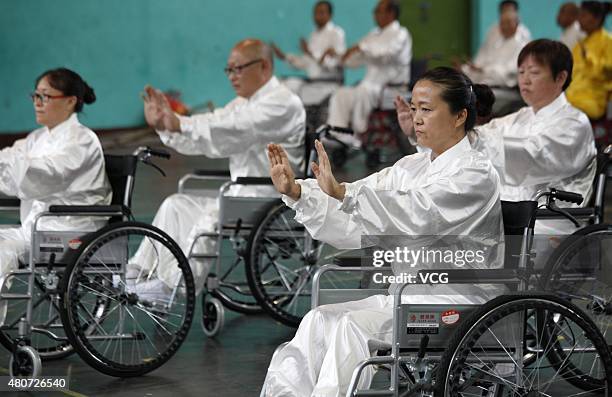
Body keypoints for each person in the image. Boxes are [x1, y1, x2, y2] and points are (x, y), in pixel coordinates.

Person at [260, 67, 503, 397]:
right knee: (318, 320)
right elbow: (356, 210)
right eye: (414, 108)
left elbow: (418, 213)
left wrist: (346, 194)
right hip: (407, 299)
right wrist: (299, 193)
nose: (417, 118)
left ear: (460, 115)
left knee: (351, 328)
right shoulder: (410, 167)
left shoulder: (475, 173)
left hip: (454, 305)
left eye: (427, 109)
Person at [131, 39, 305, 296]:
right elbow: (214, 133)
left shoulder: (283, 103)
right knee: (176, 205)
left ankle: (172, 287)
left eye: (238, 69)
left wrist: (179, 122)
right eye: (229, 70)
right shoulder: (243, 103)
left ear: (264, 66)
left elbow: (234, 126)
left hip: (271, 197)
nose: (232, 77)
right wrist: (165, 127)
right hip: (243, 195)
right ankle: (139, 272)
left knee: (211, 217)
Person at [0, 67, 111, 322]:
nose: (37, 103)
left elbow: (49, 174)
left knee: (3, 250)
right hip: (40, 226)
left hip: (71, 228)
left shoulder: (82, 140)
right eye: (35, 96)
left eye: (46, 96)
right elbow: (10, 162)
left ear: (71, 101)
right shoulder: (37, 138)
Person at [469, 39, 596, 236]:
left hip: (551, 222)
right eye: (521, 72)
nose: (525, 80)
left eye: (534, 72)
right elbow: (485, 134)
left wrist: (471, 139)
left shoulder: (574, 123)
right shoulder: (521, 116)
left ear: (560, 77)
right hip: (514, 216)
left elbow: (533, 155)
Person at [326, 0, 412, 147]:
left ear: (391, 14)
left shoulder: (400, 34)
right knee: (341, 93)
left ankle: (359, 134)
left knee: (363, 91)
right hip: (370, 87)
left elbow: (386, 54)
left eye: (378, 11)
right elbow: (356, 58)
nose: (374, 15)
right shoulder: (374, 34)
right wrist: (340, 56)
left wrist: (361, 47)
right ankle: (339, 135)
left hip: (393, 89)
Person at [272, 1, 346, 105]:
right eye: (315, 13)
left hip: (329, 82)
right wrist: (285, 57)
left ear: (330, 15)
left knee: (295, 91)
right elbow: (306, 62)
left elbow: (336, 62)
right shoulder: (313, 35)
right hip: (312, 81)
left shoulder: (337, 33)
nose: (317, 16)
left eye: (321, 12)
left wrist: (310, 52)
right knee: (280, 83)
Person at [460, 7, 529, 89]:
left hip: (504, 80)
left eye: (508, 23)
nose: (504, 26)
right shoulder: (497, 40)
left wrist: (484, 69)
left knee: (493, 75)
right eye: (502, 23)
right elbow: (483, 58)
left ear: (517, 24)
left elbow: (511, 69)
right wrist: (469, 67)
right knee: (468, 72)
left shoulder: (522, 43)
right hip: (487, 73)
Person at [565, 1, 612, 119]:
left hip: (593, 98)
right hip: (572, 96)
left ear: (597, 19)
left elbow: (607, 72)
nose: (579, 20)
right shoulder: (581, 44)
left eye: (583, 15)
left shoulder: (608, 41)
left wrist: (589, 58)